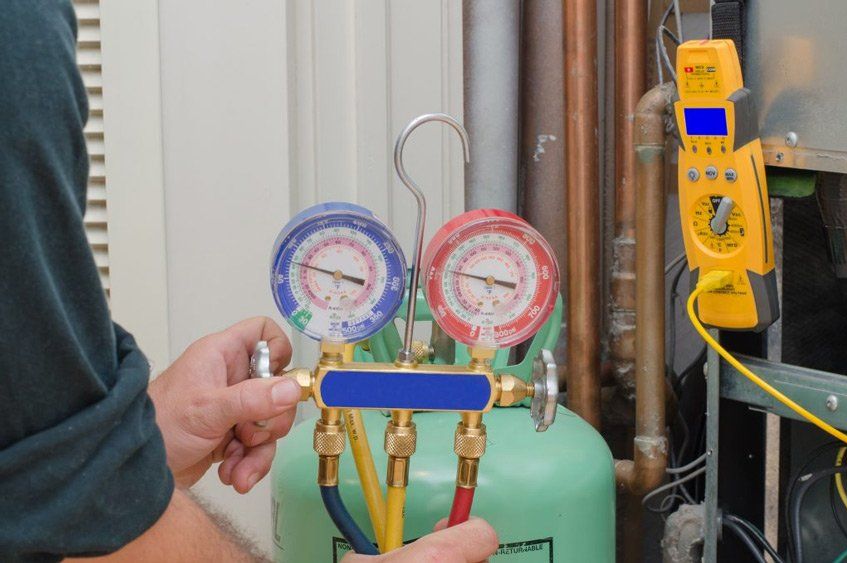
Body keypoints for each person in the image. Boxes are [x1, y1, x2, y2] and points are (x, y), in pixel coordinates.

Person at [0, 2, 499, 562]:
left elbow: (38, 484)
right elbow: (67, 511)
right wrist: (108, 466)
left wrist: (143, 441)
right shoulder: (17, 33)